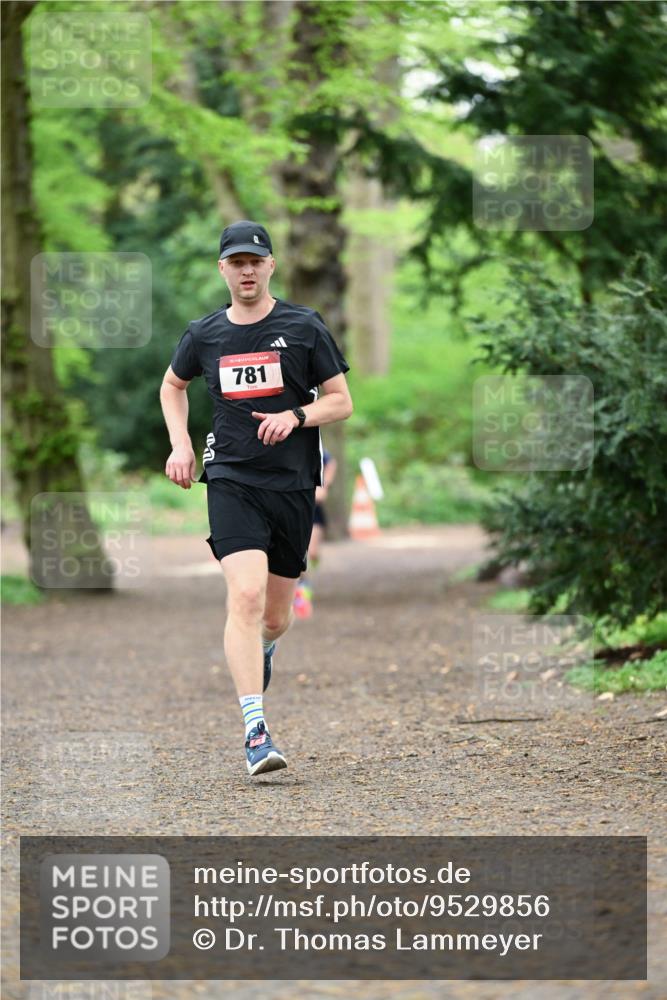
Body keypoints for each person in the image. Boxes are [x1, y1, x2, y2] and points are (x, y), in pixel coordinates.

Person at [159, 220, 352, 776]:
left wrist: (296, 416)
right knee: (244, 596)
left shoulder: (304, 326)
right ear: (223, 269)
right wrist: (180, 444)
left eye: (255, 261)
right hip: (230, 476)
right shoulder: (204, 334)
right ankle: (255, 731)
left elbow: (340, 401)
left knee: (274, 616)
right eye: (236, 262)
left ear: (271, 266)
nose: (246, 271)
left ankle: (265, 648)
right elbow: (172, 386)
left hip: (291, 484)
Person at [293, 448, 337, 619]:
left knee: (312, 552)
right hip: (291, 509)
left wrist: (324, 485)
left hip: (313, 510)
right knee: (300, 556)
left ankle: (311, 566)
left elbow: (331, 462)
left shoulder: (309, 443)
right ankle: (302, 590)